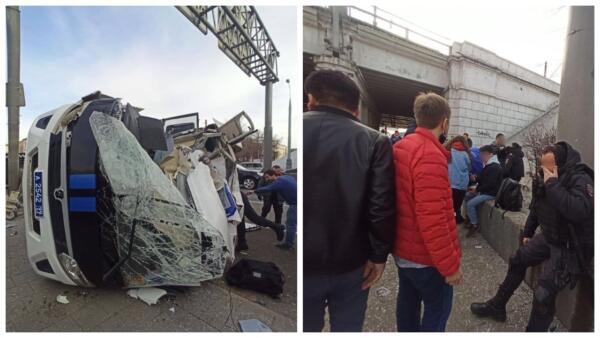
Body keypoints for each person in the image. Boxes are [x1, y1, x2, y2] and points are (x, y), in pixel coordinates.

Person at [303, 70, 395, 332]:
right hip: (352, 261)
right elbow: (381, 206)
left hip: (306, 262)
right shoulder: (375, 141)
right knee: (348, 327)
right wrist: (379, 255)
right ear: (356, 108)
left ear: (311, 99)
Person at [470, 142, 593, 331]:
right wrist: (528, 232)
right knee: (518, 259)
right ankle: (497, 306)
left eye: (549, 166)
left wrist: (552, 184)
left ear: (560, 164)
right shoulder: (545, 175)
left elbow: (579, 211)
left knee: (543, 293)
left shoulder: (580, 178)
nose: (545, 170)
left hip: (570, 245)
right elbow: (537, 207)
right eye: (543, 166)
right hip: (550, 235)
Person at [393, 92, 462, 332]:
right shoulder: (430, 156)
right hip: (426, 258)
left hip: (403, 250)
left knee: (408, 303)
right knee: (438, 308)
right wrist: (450, 266)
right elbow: (433, 220)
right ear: (444, 123)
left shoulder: (401, 147)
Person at [464, 145, 503, 237]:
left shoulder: (494, 167)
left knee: (470, 204)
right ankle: (470, 217)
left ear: (490, 154)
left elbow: (490, 184)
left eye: (482, 154)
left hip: (491, 193)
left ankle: (475, 224)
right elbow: (483, 178)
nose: (481, 157)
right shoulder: (489, 165)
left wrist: (477, 189)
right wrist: (475, 178)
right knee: (467, 196)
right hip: (486, 190)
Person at [252, 169, 297, 250]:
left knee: (291, 225)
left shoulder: (279, 181)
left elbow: (268, 188)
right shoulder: (287, 177)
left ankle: (288, 244)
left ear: (273, 175)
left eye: (267, 177)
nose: (267, 179)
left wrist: (253, 191)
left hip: (295, 204)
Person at [446, 136, 471, 224]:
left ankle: (451, 220)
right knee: (456, 207)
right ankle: (455, 219)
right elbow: (468, 167)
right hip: (461, 185)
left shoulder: (448, 151)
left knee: (449, 207)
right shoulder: (465, 154)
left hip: (449, 183)